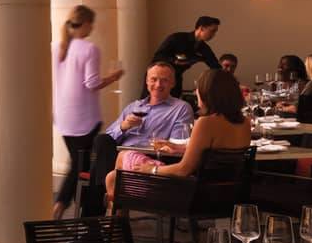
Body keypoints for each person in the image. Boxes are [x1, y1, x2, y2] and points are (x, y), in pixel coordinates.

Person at [104, 67, 251, 200]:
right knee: (115, 176)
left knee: (115, 175)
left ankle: (116, 226)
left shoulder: (205, 123)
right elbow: (213, 151)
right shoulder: (245, 123)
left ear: (208, 94)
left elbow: (183, 170)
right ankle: (117, 224)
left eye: (198, 89)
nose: (196, 93)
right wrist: (179, 148)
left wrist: (151, 169)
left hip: (193, 196)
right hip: (226, 193)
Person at [83, 62, 194, 215]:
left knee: (101, 170)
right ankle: (106, 204)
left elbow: (178, 145)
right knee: (102, 140)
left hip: (149, 159)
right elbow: (109, 137)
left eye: (164, 80)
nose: (158, 84)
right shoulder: (133, 107)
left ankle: (98, 212)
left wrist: (161, 145)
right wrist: (123, 126)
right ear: (147, 81)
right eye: (154, 79)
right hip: (119, 156)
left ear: (173, 83)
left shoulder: (180, 108)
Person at [51, 4, 124, 220]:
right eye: (91, 24)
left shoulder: (55, 46)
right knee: (81, 164)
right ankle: (69, 205)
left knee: (77, 162)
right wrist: (114, 76)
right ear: (86, 24)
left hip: (63, 114)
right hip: (85, 116)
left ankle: (65, 204)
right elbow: (91, 83)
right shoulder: (89, 49)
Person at [145, 16, 221, 98]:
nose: (213, 35)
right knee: (149, 104)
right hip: (157, 78)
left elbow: (215, 65)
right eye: (212, 31)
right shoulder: (177, 38)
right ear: (201, 28)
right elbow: (158, 56)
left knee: (175, 106)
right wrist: (174, 61)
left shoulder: (204, 49)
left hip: (176, 79)